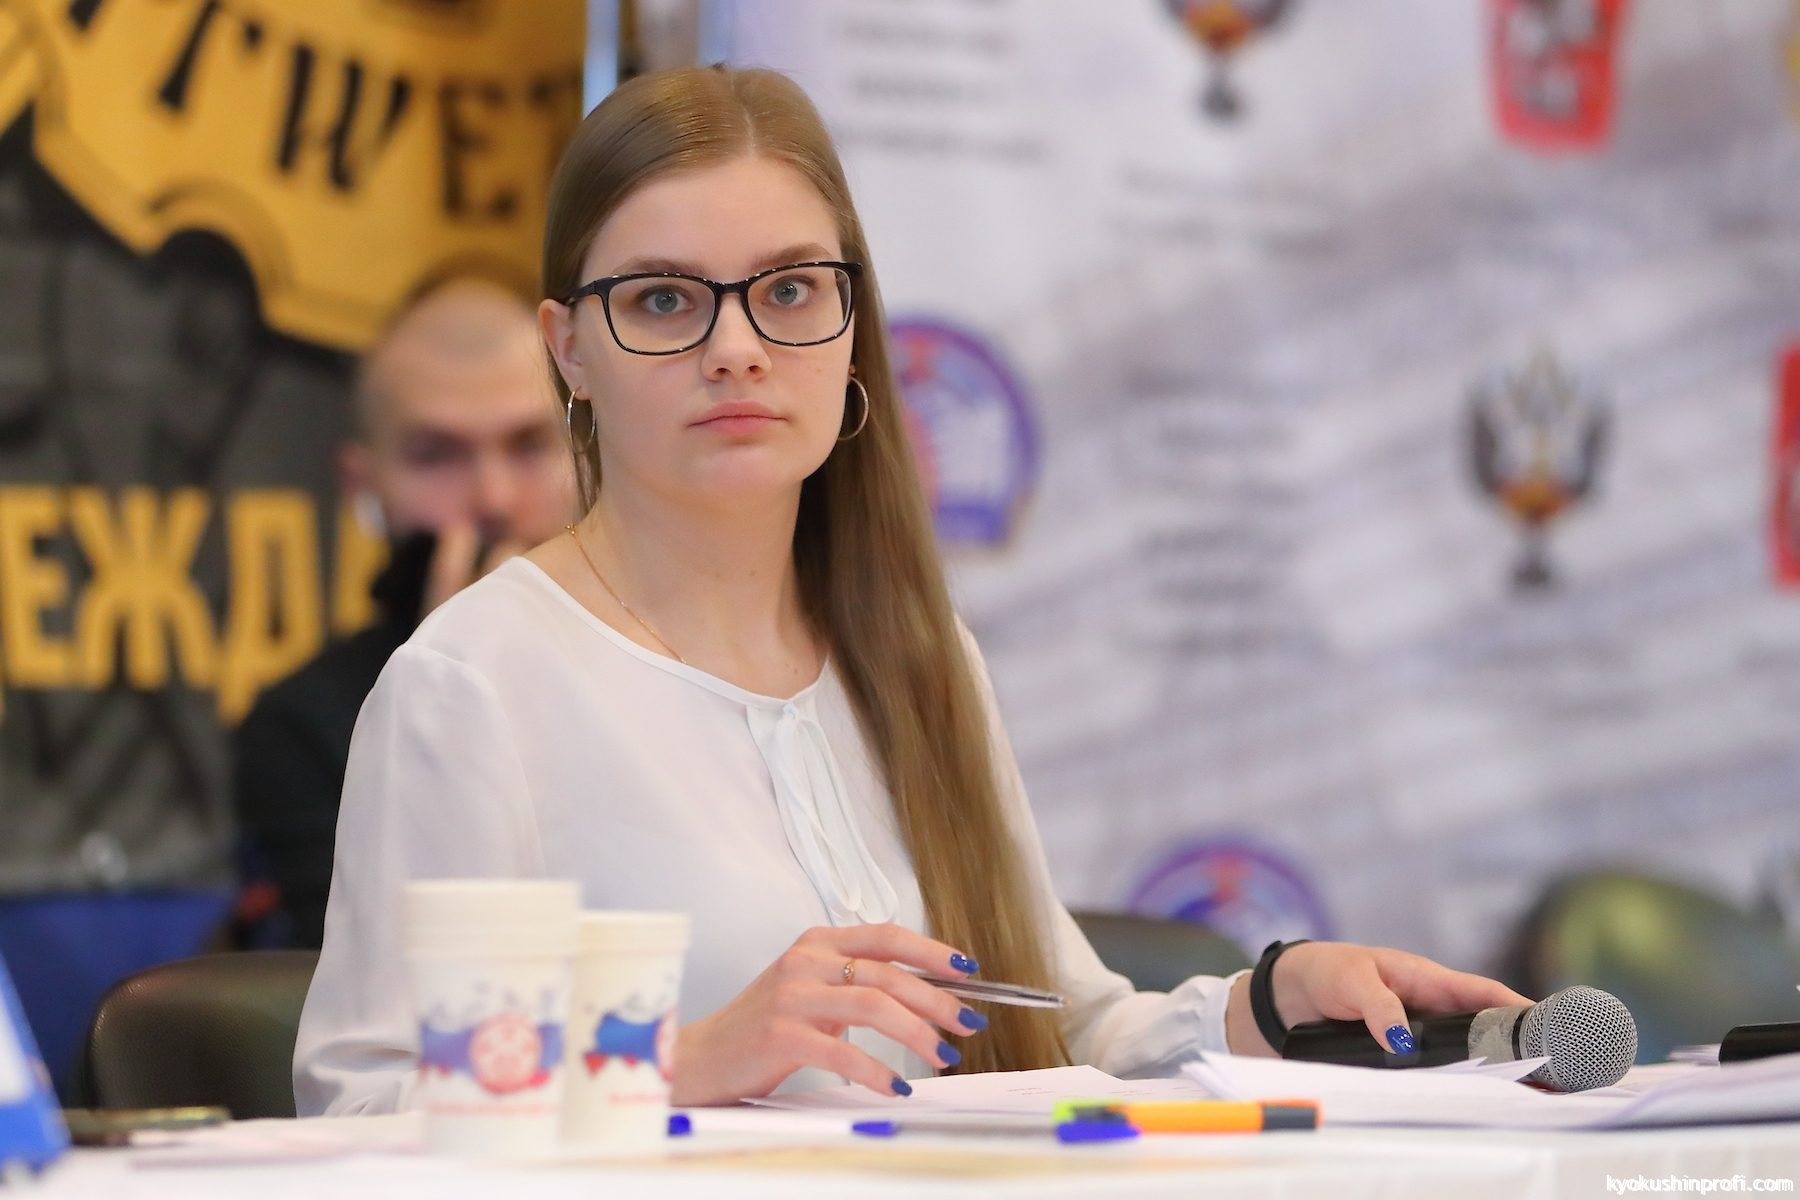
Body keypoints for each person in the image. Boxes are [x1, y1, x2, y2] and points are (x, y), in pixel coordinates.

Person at [293, 65, 1529, 1115]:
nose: (737, 349)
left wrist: (1272, 1003)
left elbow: (1063, 1034)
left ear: (851, 328)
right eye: (664, 299)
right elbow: (362, 1107)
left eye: (788, 291)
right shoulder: (473, 686)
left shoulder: (918, 651)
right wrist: (688, 1060)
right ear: (569, 349)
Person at [234, 279, 578, 948]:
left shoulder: (678, 658)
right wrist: (452, 698)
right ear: (364, 485)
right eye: (437, 455)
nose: (494, 498)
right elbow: (385, 970)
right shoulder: (302, 727)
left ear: (585, 449)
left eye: (529, 444)